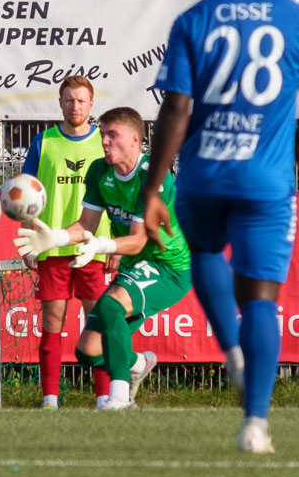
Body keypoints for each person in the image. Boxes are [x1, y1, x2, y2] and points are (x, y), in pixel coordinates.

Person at [142, 0, 299, 452]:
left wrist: (153, 187)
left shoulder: (194, 20)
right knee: (262, 300)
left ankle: (231, 351)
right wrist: (295, 146)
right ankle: (255, 423)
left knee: (203, 249)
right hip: (266, 181)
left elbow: (176, 108)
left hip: (203, 176)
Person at [16, 107, 192, 409]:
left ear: (136, 140)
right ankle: (137, 364)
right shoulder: (99, 170)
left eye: (113, 135)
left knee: (109, 306)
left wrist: (99, 246)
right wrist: (54, 238)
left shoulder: (154, 177)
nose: (105, 141)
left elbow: (138, 241)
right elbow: (85, 225)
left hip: (169, 266)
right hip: (134, 264)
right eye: (104, 134)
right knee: (87, 350)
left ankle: (120, 398)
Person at [20, 75, 113, 409]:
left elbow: (118, 192)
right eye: (69, 100)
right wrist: (32, 239)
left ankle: (104, 396)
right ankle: (50, 399)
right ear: (60, 103)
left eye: (82, 100)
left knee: (99, 322)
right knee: (52, 325)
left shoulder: (104, 143)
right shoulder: (42, 142)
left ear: (91, 105)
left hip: (94, 246)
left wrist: (115, 242)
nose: (76, 106)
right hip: (53, 247)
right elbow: (25, 194)